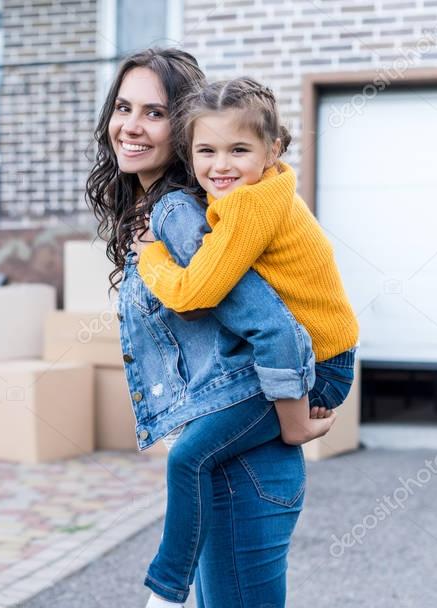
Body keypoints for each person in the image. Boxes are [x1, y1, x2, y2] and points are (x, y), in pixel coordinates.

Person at [85, 48, 318, 608]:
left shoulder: (179, 215)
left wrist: (294, 416)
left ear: (183, 130)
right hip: (229, 456)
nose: (131, 125)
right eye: (123, 107)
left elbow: (276, 327)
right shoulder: (161, 212)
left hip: (248, 464)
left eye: (154, 113)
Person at [137, 77, 360, 444]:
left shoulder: (247, 207)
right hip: (322, 355)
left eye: (238, 150)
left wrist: (151, 255)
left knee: (188, 457)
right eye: (206, 151)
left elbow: (193, 296)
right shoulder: (269, 186)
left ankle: (296, 429)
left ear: (272, 151)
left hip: (315, 363)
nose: (221, 165)